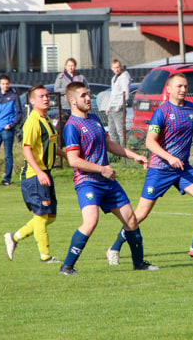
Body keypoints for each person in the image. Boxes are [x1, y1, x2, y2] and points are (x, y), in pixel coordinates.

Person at [107, 72, 193, 264]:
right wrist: (169, 157)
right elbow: (150, 142)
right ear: (169, 89)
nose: (183, 89)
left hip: (182, 168)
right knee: (140, 214)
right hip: (160, 169)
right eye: (179, 86)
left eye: (185, 86)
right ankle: (114, 248)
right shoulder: (162, 112)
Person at [58, 82, 156, 275]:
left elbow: (109, 144)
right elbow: (73, 160)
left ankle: (139, 264)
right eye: (84, 95)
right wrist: (102, 169)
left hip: (107, 182)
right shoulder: (72, 127)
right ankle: (67, 266)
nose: (88, 98)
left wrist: (133, 155)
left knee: (131, 219)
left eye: (89, 94)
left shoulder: (93, 119)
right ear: (72, 101)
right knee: (91, 221)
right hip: (87, 182)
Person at [4, 85, 67, 263]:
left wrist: (69, 156)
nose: (46, 99)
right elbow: (26, 150)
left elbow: (51, 147)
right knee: (40, 216)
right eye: (41, 96)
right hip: (34, 175)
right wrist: (39, 172)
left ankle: (14, 237)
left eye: (47, 95)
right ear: (32, 101)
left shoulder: (45, 119)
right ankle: (45, 256)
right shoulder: (32, 121)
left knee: (51, 217)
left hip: (45, 173)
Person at [107, 59, 131, 150]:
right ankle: (115, 152)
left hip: (119, 108)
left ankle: (124, 152)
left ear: (121, 67)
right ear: (112, 68)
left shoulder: (124, 77)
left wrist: (119, 106)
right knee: (111, 131)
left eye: (118, 67)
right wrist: (108, 107)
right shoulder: (114, 78)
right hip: (112, 106)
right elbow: (113, 94)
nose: (116, 69)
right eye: (114, 67)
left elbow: (126, 93)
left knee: (120, 131)